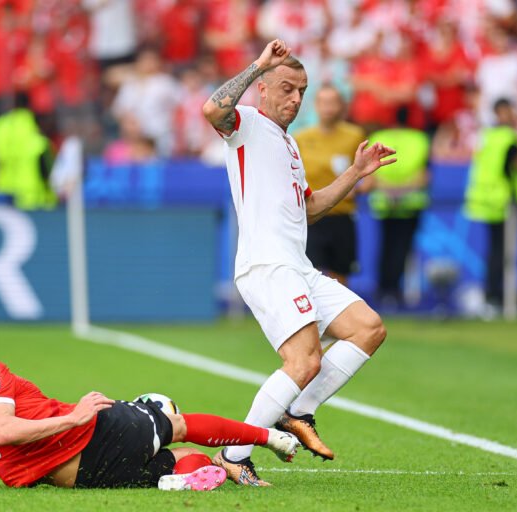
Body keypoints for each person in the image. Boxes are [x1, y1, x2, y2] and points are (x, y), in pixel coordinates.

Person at [201, 39, 395, 486]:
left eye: (301, 91)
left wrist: (354, 174)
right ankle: (235, 453)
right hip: (267, 265)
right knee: (303, 360)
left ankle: (298, 409)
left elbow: (307, 208)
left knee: (368, 328)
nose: (295, 99)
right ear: (263, 89)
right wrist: (257, 65)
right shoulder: (246, 124)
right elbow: (213, 110)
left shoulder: (288, 146)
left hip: (298, 265)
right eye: (286, 88)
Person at [0, 308, 300, 491]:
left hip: (74, 477)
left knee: (177, 461)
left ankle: (177, 479)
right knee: (175, 421)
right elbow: (2, 430)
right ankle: (268, 438)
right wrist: (74, 417)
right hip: (92, 436)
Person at [294, 84, 368, 286]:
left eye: (333, 102)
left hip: (342, 216)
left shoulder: (354, 136)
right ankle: (314, 318)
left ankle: (341, 318)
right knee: (311, 278)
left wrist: (357, 189)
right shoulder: (301, 138)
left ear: (342, 106)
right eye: (323, 102)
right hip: (311, 219)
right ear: (315, 106)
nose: (328, 107)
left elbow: (369, 175)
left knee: (341, 280)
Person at [464, 98, 517, 309]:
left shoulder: (486, 136)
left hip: (486, 199)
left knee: (494, 250)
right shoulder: (510, 137)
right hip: (506, 201)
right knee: (504, 252)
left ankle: (492, 294)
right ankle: (498, 297)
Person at [368, 107, 431, 307]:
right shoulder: (420, 139)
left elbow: (371, 173)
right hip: (410, 202)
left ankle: (384, 290)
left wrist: (390, 192)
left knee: (385, 246)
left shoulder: (378, 136)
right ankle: (395, 291)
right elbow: (424, 175)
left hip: (384, 201)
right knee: (403, 248)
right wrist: (403, 192)